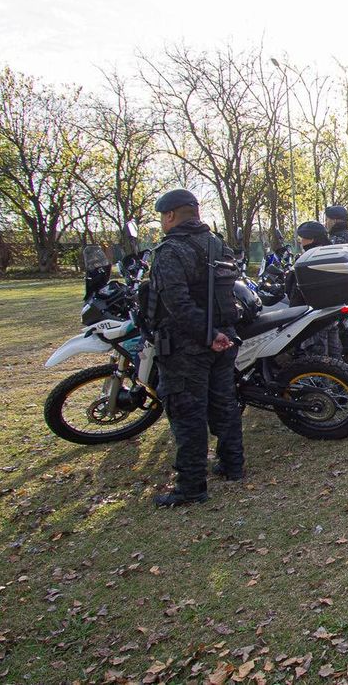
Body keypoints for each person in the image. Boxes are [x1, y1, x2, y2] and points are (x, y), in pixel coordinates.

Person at [145, 189, 243, 507]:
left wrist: (206, 334)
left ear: (170, 215)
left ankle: (191, 486)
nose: (162, 221)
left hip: (187, 345)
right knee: (224, 405)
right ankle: (232, 465)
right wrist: (218, 333)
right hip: (224, 338)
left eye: (163, 216)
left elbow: (176, 302)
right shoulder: (217, 244)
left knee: (188, 414)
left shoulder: (171, 251)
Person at [285, 221, 343, 356]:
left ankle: (320, 378)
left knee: (317, 357)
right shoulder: (331, 252)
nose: (300, 241)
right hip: (332, 311)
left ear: (311, 239)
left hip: (313, 316)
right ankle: (340, 376)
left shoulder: (310, 257)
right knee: (335, 355)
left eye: (302, 238)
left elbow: (295, 290)